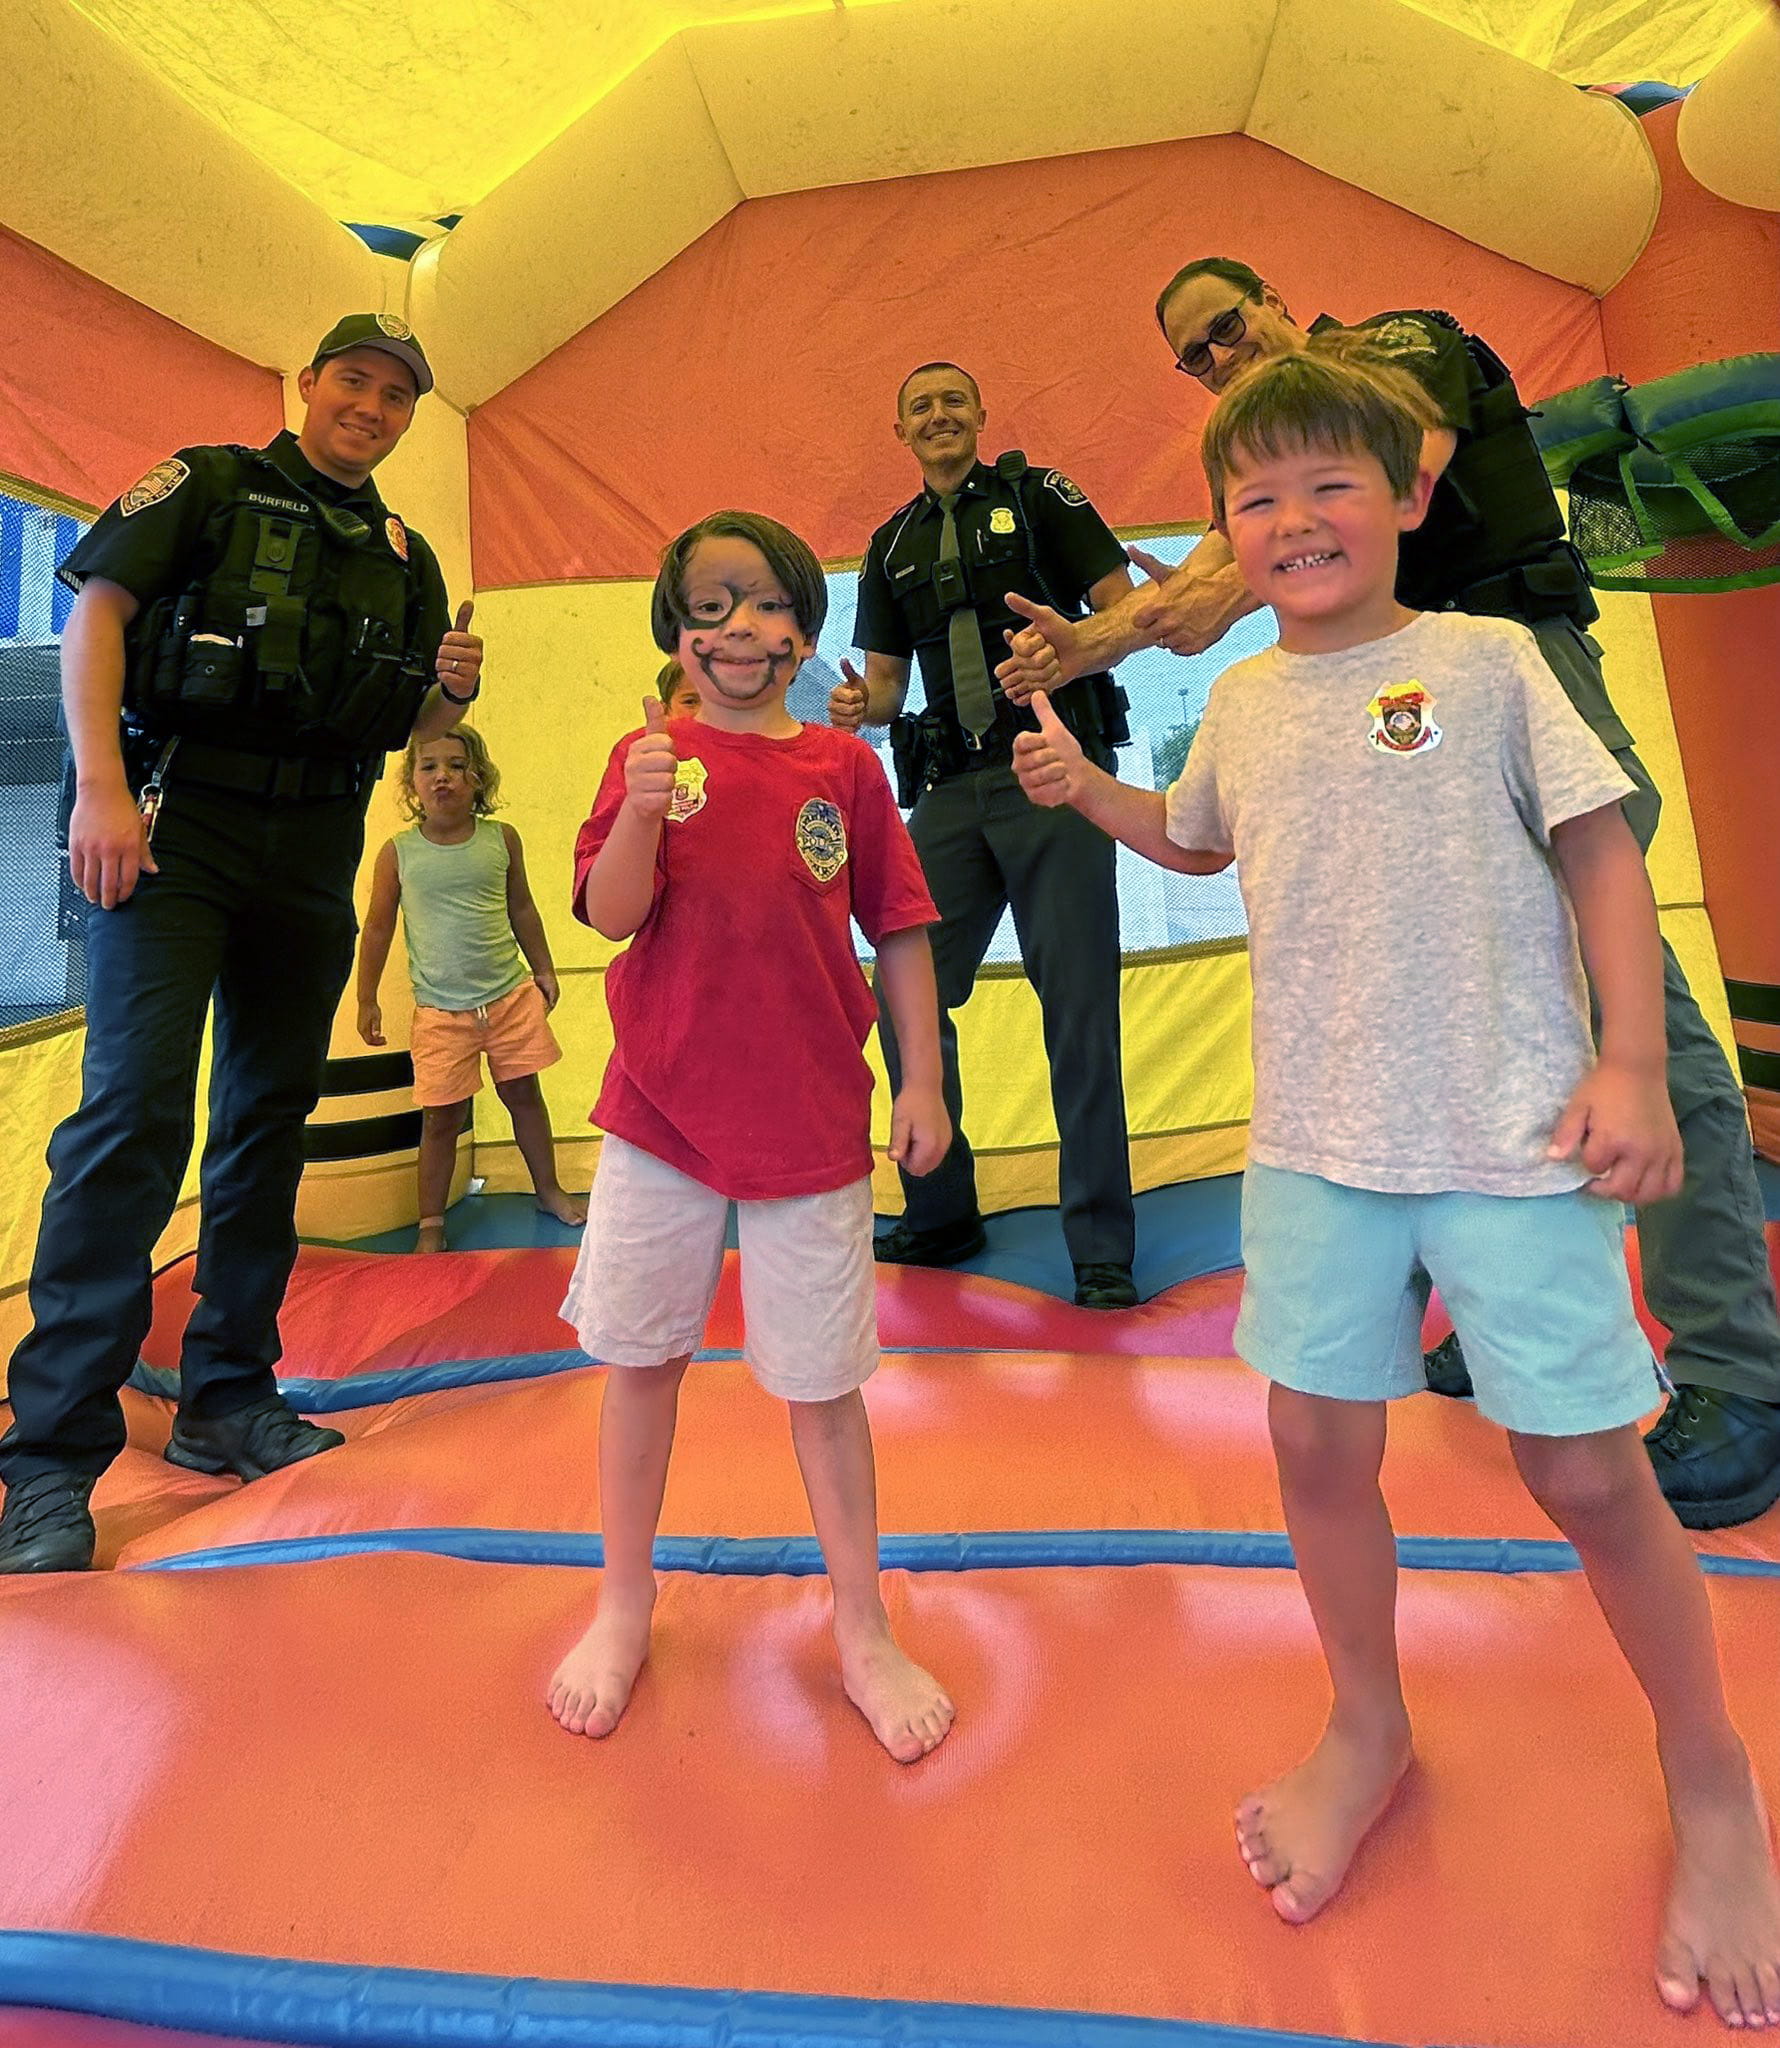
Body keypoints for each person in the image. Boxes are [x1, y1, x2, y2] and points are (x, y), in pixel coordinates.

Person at [1014, 342, 1780, 2029]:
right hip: (1316, 1148)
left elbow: (1601, 852)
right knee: (1312, 1440)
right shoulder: (1242, 699)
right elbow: (1206, 837)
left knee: (1587, 1473)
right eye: (1256, 495)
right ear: (1225, 529)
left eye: (1330, 482)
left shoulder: (1492, 659)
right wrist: (1092, 796)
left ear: (1413, 496)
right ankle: (1368, 1717)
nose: (1294, 518)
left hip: (1510, 1140)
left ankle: (1711, 1769)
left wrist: (1633, 1067)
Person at [1000, 259, 1780, 1528]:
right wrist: (1109, 640)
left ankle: (1736, 1375)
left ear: (1275, 297)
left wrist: (1136, 620)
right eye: (1190, 359)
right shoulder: (1276, 476)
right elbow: (1216, 597)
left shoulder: (1392, 345)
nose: (1214, 357)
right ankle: (1488, 1300)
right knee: (1469, 1012)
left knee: (1635, 1015)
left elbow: (1266, 541)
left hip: (1509, 668)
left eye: (1222, 326)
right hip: (1381, 700)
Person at [0, 313, 484, 1575]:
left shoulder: (405, 552)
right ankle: (50, 1461)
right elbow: (98, 612)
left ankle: (227, 1395)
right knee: (132, 1116)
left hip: (314, 843)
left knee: (270, 1113)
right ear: (309, 383)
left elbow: (407, 719)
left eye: (396, 399)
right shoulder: (208, 483)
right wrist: (97, 786)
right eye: (356, 383)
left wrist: (453, 690)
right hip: (173, 824)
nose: (371, 408)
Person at [547, 509, 955, 1764]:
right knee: (640, 1361)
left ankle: (862, 1623)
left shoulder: (843, 768)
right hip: (662, 1114)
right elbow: (612, 917)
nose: (744, 629)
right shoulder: (645, 752)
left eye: (772, 604)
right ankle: (625, 1598)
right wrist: (641, 809)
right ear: (676, 630)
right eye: (714, 606)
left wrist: (924, 1085)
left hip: (811, 1113)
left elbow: (897, 926)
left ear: (806, 631)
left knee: (825, 1387)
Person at [834, 361, 1139, 1309]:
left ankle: (1100, 1250)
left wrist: (1077, 646)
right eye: (918, 404)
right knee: (904, 990)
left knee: (1079, 1013)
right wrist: (859, 703)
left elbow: (1123, 606)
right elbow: (885, 689)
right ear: (901, 430)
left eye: (952, 401)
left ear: (979, 416)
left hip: (1056, 774)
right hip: (953, 792)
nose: (938, 415)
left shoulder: (1042, 495)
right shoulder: (890, 545)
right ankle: (940, 1210)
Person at [355, 725, 585, 1253]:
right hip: (441, 1013)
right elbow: (379, 927)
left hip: (508, 998)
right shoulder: (399, 853)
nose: (443, 777)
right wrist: (366, 997)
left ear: (477, 777)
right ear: (412, 783)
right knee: (440, 1117)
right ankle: (430, 1222)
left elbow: (521, 907)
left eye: (456, 766)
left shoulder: (500, 839)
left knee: (525, 1095)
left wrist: (544, 969)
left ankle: (548, 1188)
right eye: (429, 766)